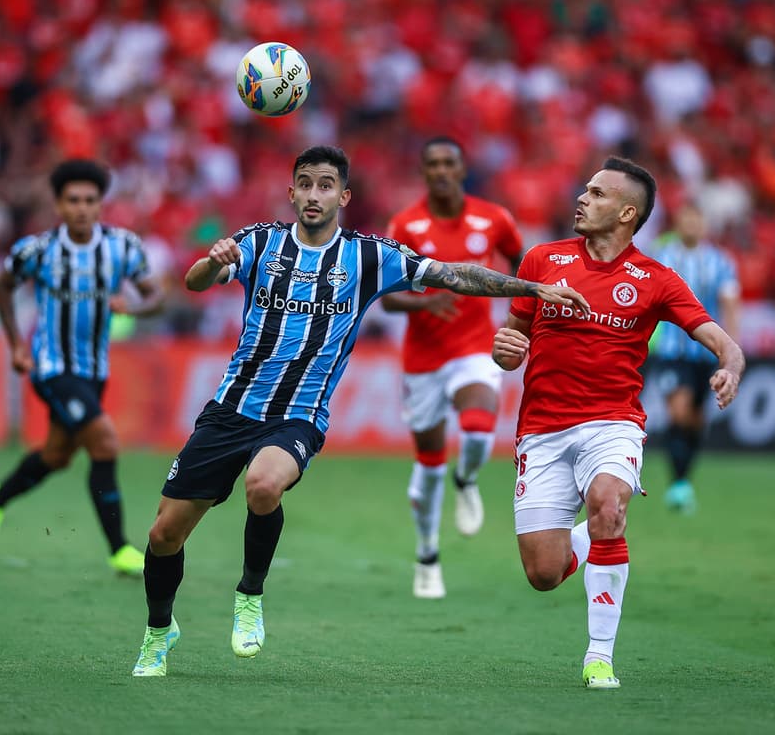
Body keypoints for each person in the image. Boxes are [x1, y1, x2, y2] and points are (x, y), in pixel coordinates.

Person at [132, 145, 588, 677]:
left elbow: (453, 275)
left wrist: (530, 287)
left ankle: (249, 596)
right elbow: (193, 283)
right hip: (230, 410)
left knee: (263, 486)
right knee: (164, 535)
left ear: (343, 196)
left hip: (298, 415)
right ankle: (159, 631)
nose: (313, 194)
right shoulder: (260, 242)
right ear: (291, 191)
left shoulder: (370, 257)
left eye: (326, 185)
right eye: (305, 183)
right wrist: (213, 262)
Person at [492, 156, 744, 690]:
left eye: (597, 193)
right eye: (585, 190)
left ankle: (599, 657)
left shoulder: (656, 279)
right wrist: (506, 349)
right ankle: (590, 538)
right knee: (543, 574)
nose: (582, 199)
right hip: (541, 430)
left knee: (609, 502)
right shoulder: (541, 260)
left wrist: (731, 364)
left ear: (627, 213)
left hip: (613, 423)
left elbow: (719, 337)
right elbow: (512, 339)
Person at [0, 159, 164, 576]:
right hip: (50, 365)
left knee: (57, 456)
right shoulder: (38, 250)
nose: (81, 208)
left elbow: (157, 298)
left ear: (101, 205)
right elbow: (1, 287)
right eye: (73, 200)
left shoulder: (122, 247)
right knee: (106, 444)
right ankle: (120, 550)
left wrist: (133, 304)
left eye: (90, 201)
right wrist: (14, 345)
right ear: (59, 206)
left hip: (93, 370)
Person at [382, 136, 523, 599]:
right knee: (428, 462)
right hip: (423, 360)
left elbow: (523, 266)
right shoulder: (405, 225)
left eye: (449, 163)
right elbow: (385, 292)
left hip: (475, 347)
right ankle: (427, 555)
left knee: (481, 429)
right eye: (433, 164)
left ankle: (469, 479)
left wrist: (523, 316)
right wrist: (422, 304)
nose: (441, 170)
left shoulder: (495, 218)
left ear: (462, 169)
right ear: (424, 173)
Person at [645, 202, 740, 513]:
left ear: (704, 225)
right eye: (686, 219)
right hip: (672, 350)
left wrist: (731, 350)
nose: (691, 225)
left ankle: (682, 481)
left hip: (706, 352)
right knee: (679, 413)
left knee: (697, 419)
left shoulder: (720, 261)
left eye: (696, 220)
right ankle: (679, 484)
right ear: (678, 222)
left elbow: (729, 305)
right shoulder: (661, 256)